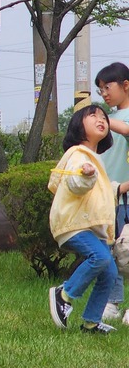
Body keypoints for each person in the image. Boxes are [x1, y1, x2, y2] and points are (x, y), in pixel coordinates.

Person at [47, 103, 129, 334]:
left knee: (110, 272)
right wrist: (84, 173)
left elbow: (106, 191)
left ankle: (91, 322)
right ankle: (64, 294)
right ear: (77, 126)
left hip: (89, 226)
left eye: (103, 116)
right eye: (92, 115)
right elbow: (76, 183)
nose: (100, 119)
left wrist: (123, 186)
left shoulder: (94, 158)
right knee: (100, 257)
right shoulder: (77, 154)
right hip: (75, 224)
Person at [94, 62, 129, 325]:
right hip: (110, 196)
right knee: (111, 251)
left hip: (126, 195)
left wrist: (102, 119)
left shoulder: (117, 120)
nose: (104, 93)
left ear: (125, 85)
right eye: (100, 89)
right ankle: (113, 302)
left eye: (108, 87)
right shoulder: (111, 119)